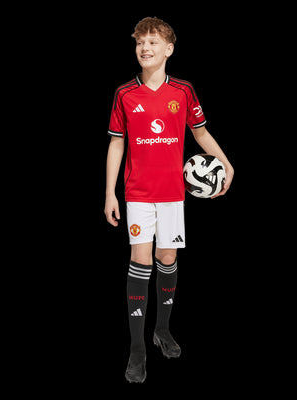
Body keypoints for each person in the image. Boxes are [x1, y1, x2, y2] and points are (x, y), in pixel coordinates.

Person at [104, 17, 234, 383]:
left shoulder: (183, 91)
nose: (145, 48)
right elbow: (116, 143)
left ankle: (162, 329)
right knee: (140, 260)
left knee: (167, 258)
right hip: (138, 194)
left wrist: (225, 163)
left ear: (169, 49)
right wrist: (109, 192)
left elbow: (200, 132)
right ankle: (137, 349)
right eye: (140, 43)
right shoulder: (125, 94)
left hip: (174, 194)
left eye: (152, 42)